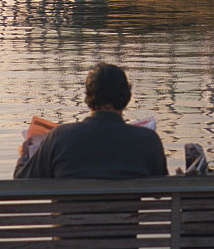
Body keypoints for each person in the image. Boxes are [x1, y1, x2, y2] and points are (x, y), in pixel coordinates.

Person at [14, 62, 168, 179]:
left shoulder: (59, 137)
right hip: (124, 221)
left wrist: (24, 156)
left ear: (88, 95)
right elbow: (162, 189)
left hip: (72, 221)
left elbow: (23, 182)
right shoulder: (148, 140)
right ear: (127, 96)